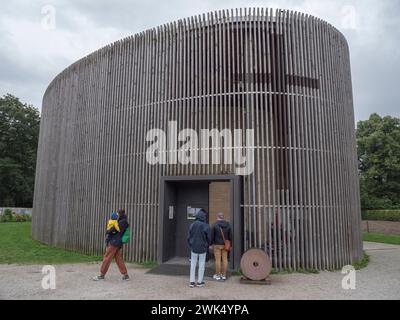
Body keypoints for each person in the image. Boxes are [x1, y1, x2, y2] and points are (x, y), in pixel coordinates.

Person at [93, 208, 130, 281]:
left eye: (118, 213)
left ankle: (101, 275)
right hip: (117, 242)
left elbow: (115, 230)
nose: (117, 215)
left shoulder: (122, 222)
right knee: (118, 258)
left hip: (115, 242)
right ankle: (125, 275)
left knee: (107, 257)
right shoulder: (122, 221)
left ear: (120, 214)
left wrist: (108, 231)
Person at [187, 209, 211, 288]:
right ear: (203, 217)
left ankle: (192, 282)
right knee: (201, 265)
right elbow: (209, 238)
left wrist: (191, 245)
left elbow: (189, 237)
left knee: (193, 265)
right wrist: (207, 245)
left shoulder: (192, 225)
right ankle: (200, 282)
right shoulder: (206, 226)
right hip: (203, 248)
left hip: (194, 248)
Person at [211, 212, 231, 281]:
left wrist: (211, 244)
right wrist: (230, 244)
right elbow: (230, 235)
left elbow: (212, 236)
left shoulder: (214, 225)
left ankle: (218, 275)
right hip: (225, 245)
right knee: (225, 260)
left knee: (218, 260)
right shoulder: (228, 224)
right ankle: (224, 275)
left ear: (217, 217)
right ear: (223, 217)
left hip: (217, 245)